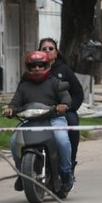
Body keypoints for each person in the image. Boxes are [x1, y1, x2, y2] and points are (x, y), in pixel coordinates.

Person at [2, 51, 74, 192]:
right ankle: (22, 173)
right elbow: (15, 103)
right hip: (30, 121)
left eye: (41, 65)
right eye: (33, 66)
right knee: (13, 141)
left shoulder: (55, 82)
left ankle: (66, 173)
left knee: (62, 139)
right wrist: (10, 109)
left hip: (54, 119)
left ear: (47, 65)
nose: (37, 69)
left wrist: (63, 105)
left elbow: (66, 98)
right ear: (28, 67)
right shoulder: (23, 86)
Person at [38, 38, 85, 175]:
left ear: (56, 53)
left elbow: (78, 93)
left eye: (50, 48)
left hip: (62, 111)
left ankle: (69, 165)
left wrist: (68, 107)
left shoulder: (64, 70)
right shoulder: (33, 69)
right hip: (39, 111)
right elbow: (23, 91)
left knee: (72, 123)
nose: (47, 51)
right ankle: (25, 169)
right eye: (43, 48)